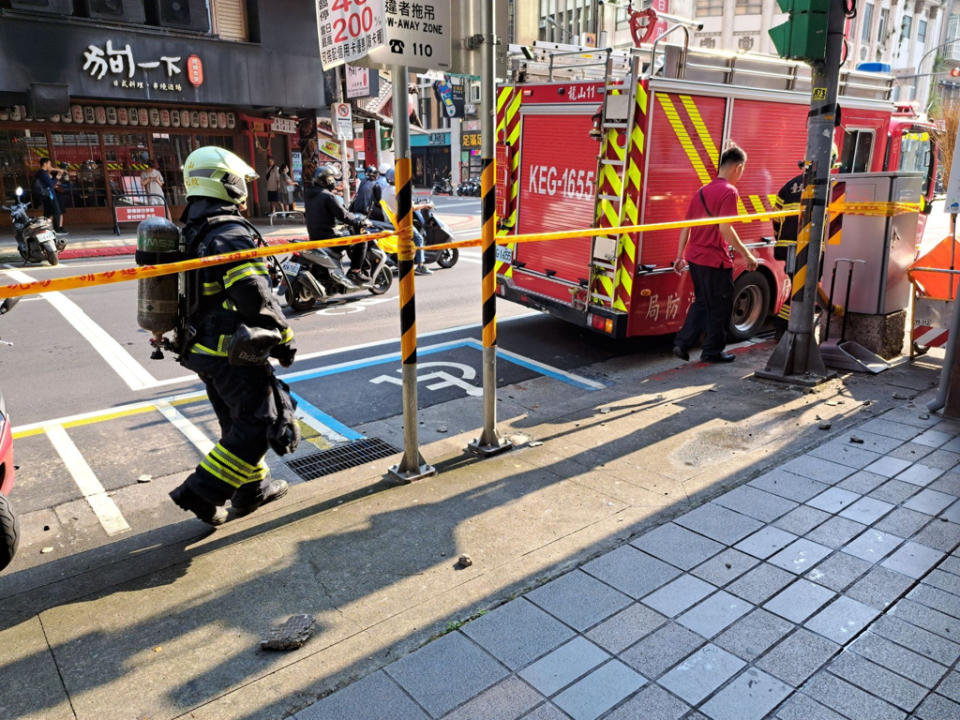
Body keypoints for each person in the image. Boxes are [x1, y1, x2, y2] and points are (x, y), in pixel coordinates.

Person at [168, 146, 297, 526]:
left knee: (237, 419)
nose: (241, 187)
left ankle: (252, 489)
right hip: (232, 352)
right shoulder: (230, 233)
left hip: (200, 348)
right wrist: (284, 337)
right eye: (237, 180)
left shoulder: (194, 227)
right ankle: (200, 494)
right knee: (261, 422)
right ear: (224, 182)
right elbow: (254, 297)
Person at [672, 144, 758, 363]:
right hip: (715, 260)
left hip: (695, 258)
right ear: (738, 167)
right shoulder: (729, 192)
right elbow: (725, 229)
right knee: (720, 306)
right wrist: (747, 254)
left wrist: (680, 255)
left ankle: (682, 343)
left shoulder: (702, 190)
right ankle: (711, 351)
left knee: (702, 302)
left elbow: (686, 226)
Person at [771, 151, 844, 340]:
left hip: (788, 249)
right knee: (803, 292)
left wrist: (781, 238)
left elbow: (776, 217)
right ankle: (785, 329)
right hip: (811, 250)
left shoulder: (789, 186)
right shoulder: (828, 188)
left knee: (800, 289)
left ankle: (786, 329)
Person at [304, 165, 369, 283]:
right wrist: (358, 221)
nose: (333, 181)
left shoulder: (309, 195)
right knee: (361, 240)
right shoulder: (328, 196)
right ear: (323, 180)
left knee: (346, 234)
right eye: (330, 178)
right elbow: (344, 216)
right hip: (329, 237)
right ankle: (355, 271)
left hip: (314, 236)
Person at [380, 167, 433, 275]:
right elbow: (411, 207)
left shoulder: (385, 190)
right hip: (401, 222)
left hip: (391, 221)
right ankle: (420, 266)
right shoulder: (398, 191)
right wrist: (427, 205)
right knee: (418, 238)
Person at [33, 159, 65, 233]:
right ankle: (57, 229)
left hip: (46, 195)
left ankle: (45, 229)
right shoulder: (42, 173)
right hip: (49, 195)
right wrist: (57, 177)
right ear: (45, 164)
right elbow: (51, 184)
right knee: (57, 212)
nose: (50, 166)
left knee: (48, 213)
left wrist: (54, 170)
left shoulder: (41, 173)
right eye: (49, 164)